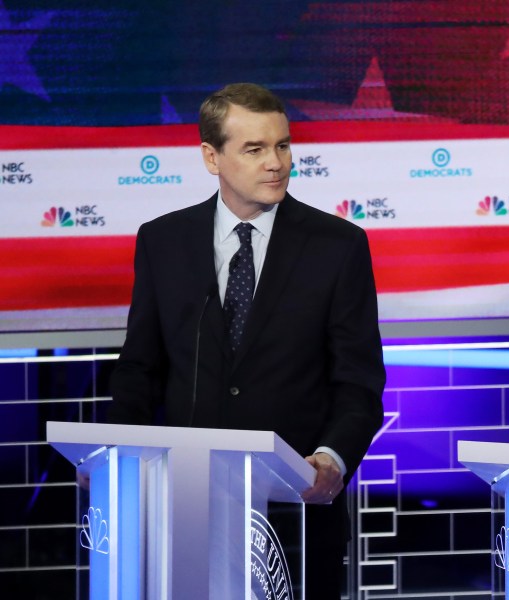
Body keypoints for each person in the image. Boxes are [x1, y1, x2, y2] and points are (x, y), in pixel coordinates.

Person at [108, 82, 385, 598]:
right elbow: (139, 368)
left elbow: (359, 380)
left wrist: (332, 458)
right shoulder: (163, 241)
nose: (275, 162)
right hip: (187, 501)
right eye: (254, 149)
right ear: (212, 157)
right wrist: (117, 456)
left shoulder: (338, 246)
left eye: (282, 145)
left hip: (294, 507)